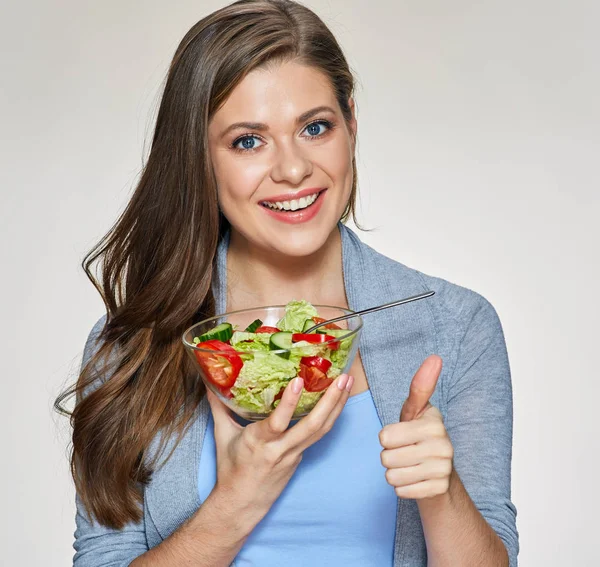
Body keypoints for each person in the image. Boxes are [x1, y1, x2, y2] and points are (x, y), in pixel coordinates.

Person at [56, 0, 519, 565]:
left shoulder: (453, 324)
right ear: (200, 157)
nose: (293, 169)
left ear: (351, 122)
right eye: (248, 141)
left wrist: (442, 495)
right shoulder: (131, 345)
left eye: (315, 127)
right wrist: (237, 502)